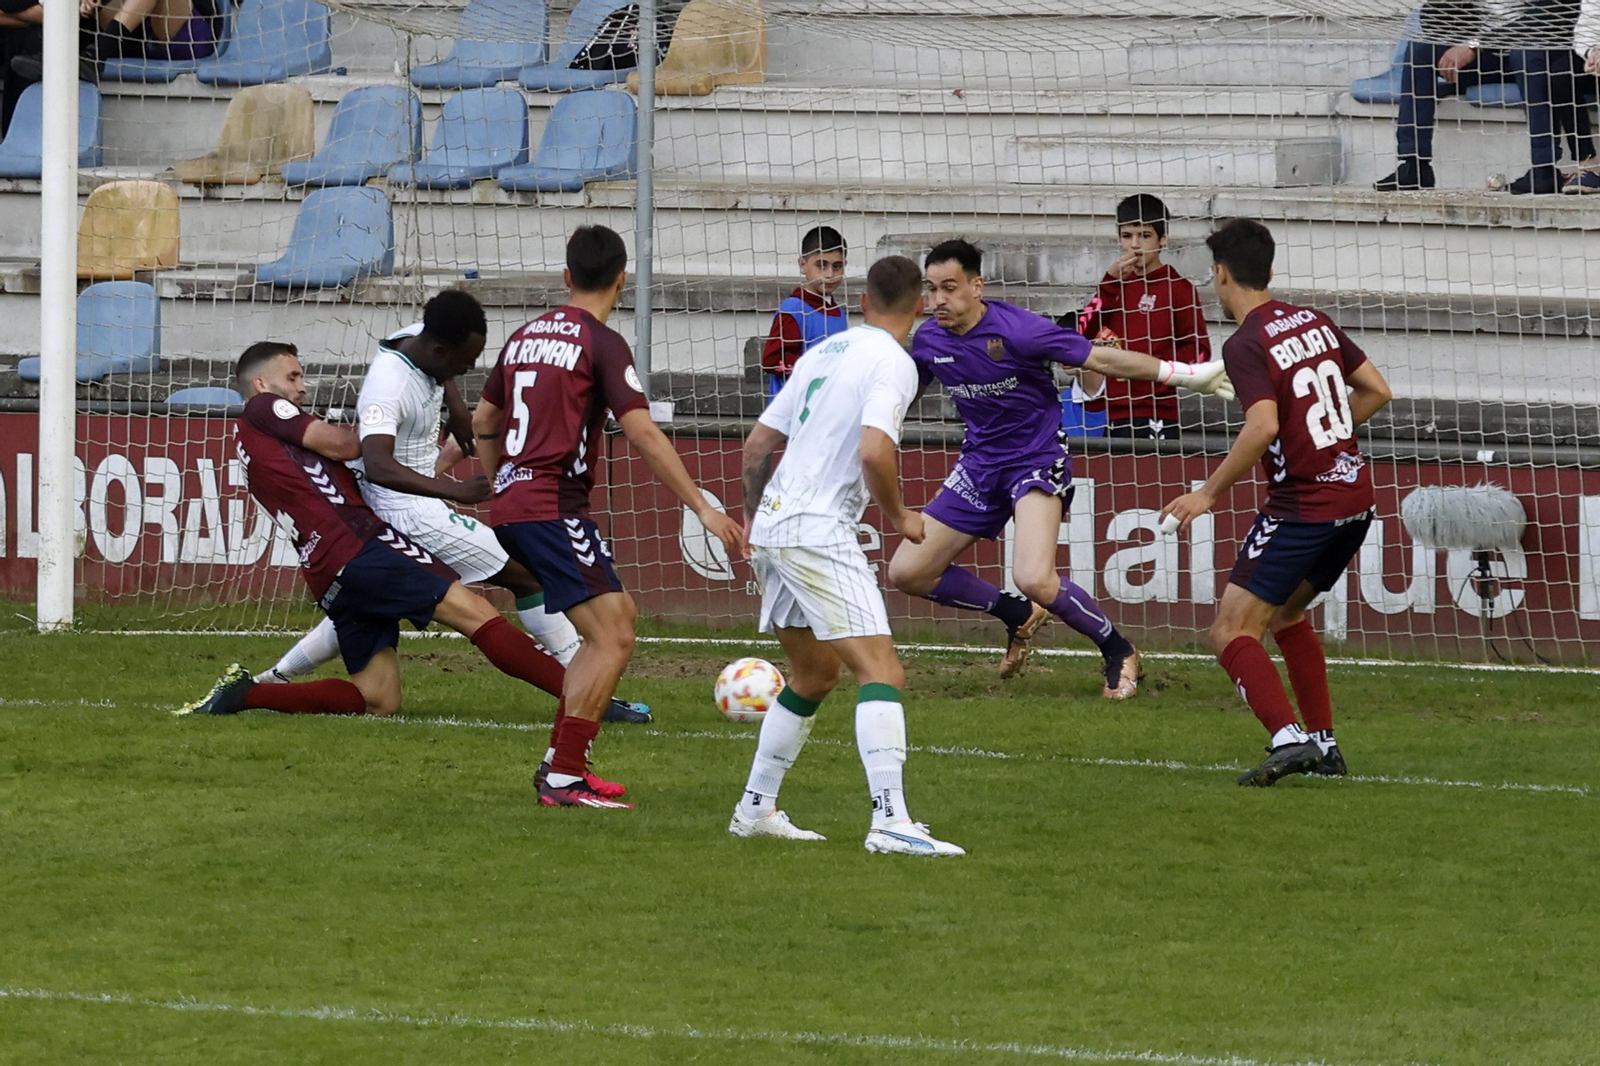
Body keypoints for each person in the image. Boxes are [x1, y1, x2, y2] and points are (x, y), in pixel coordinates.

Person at [250, 290, 652, 733]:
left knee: (368, 609)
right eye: (465, 359)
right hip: (406, 509)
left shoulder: (420, 343)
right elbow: (377, 463)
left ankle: (274, 678)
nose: (468, 367)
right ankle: (588, 690)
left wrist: (467, 426)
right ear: (440, 349)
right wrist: (455, 490)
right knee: (525, 574)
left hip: (407, 509)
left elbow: (450, 389)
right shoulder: (389, 384)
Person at [178, 343, 577, 756]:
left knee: (378, 700)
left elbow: (349, 476)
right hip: (359, 546)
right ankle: (588, 701)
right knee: (477, 614)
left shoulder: (267, 444)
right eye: (293, 377)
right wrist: (381, 424)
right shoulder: (263, 409)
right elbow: (347, 447)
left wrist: (440, 460)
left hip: (326, 569)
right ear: (261, 384)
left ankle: (247, 694)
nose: (303, 387)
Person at [472, 225, 744, 809]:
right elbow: (641, 430)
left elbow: (483, 421)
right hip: (552, 505)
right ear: (623, 278)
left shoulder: (521, 336)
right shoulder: (601, 342)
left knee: (611, 624)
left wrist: (501, 485)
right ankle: (566, 774)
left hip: (519, 502)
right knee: (613, 634)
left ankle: (560, 764)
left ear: (567, 276)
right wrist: (702, 506)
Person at [885, 239, 1234, 690]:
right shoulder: (930, 339)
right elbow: (902, 392)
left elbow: (1100, 357)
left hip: (1035, 459)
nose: (938, 301)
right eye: (931, 290)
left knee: (1034, 576)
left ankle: (1118, 648)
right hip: (979, 465)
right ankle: (1015, 612)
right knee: (907, 572)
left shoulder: (1020, 330)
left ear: (977, 286)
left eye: (948, 288)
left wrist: (1184, 374)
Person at [730, 255, 963, 856]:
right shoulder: (894, 362)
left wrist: (756, 518)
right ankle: (890, 821)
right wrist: (900, 516)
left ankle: (755, 807)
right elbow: (873, 452)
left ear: (862, 303)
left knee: (813, 674)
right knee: (881, 671)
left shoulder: (823, 352)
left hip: (778, 523)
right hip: (817, 527)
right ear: (917, 308)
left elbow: (758, 445)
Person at [1160, 219, 1393, 787]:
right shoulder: (1314, 320)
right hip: (1355, 498)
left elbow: (1262, 425)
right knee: (1287, 614)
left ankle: (1288, 739)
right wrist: (1323, 439)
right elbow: (1378, 391)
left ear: (1220, 273)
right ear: (1268, 267)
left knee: (1230, 631)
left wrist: (1208, 493)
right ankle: (1325, 744)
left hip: (1303, 507)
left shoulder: (1245, 342)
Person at [1373, 0, 1582, 192]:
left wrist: (1475, 45)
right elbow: (1433, 20)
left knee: (1527, 53)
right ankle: (1414, 165)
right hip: (1490, 57)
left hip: (1539, 53)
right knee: (1420, 50)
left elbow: (1549, 15)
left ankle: (1544, 168)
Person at [1069, 193, 1211, 440]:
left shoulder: (1178, 289)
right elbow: (1081, 333)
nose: (1135, 245)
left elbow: (1200, 351)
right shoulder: (1112, 286)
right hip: (1110, 412)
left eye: (1144, 236)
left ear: (1163, 239)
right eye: (1127, 236)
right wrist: (1109, 282)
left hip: (1157, 413)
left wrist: (1149, 368)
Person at [759, 225, 849, 403]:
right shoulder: (793, 309)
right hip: (794, 416)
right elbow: (772, 360)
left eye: (836, 266)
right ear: (803, 265)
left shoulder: (839, 312)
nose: (830, 274)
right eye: (821, 265)